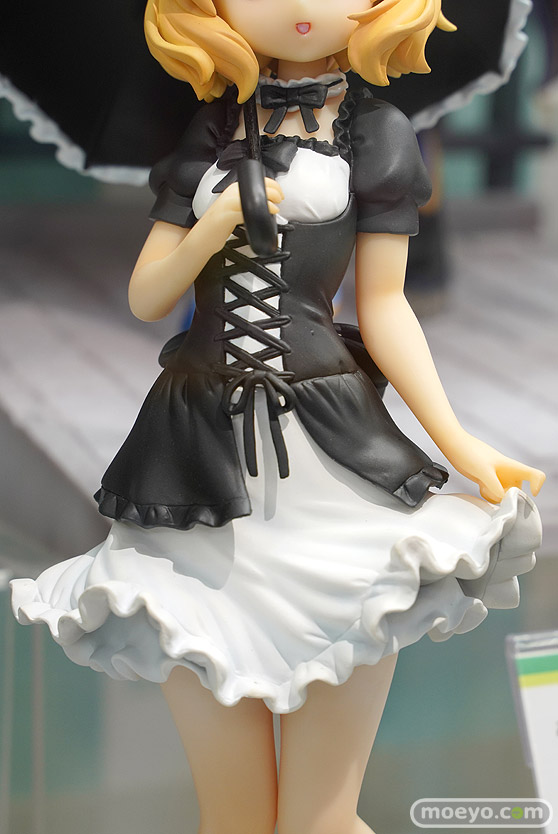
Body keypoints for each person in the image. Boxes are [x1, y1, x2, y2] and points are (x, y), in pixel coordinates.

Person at [11, 2, 545, 833]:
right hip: (193, 470)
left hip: (327, 466)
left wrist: (457, 440)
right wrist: (210, 230)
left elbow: (387, 308)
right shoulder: (208, 127)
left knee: (317, 820)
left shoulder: (378, 133)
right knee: (232, 817)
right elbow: (148, 295)